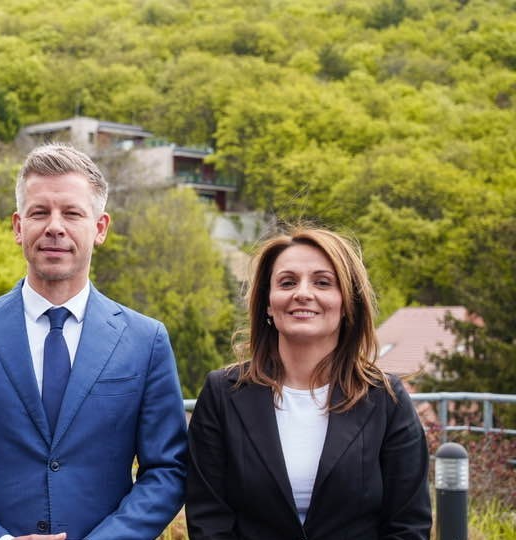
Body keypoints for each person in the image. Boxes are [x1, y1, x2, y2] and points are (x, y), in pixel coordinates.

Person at [0, 143, 187, 540]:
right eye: (40, 212)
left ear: (100, 228)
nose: (55, 226)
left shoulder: (146, 341)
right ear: (18, 226)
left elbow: (168, 470)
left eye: (72, 213)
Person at [185, 226, 431, 539]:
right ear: (268, 303)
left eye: (322, 282)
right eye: (287, 282)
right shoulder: (223, 394)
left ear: (347, 302)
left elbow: (409, 525)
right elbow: (208, 520)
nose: (302, 293)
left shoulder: (385, 399)